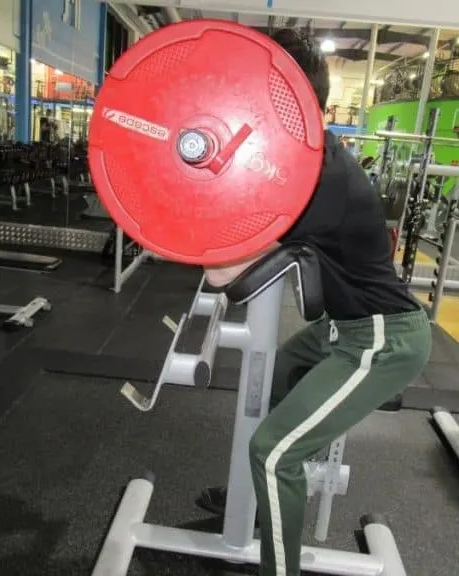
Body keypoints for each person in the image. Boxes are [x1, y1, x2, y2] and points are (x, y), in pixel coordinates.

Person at [197, 28, 431, 576]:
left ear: (297, 102)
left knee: (274, 453)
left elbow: (221, 272)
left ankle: (281, 552)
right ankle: (263, 507)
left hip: (383, 340)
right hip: (344, 329)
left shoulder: (319, 177)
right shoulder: (307, 160)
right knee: (279, 368)